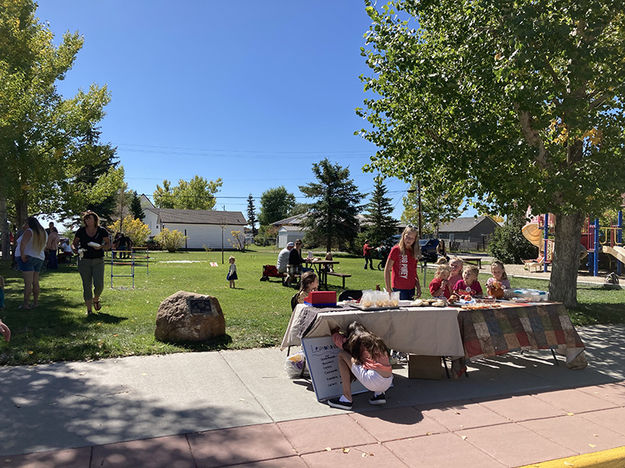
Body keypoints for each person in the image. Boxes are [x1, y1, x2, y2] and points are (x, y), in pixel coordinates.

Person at [328, 321, 393, 410]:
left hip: (373, 380)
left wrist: (334, 331)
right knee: (374, 363)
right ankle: (379, 394)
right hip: (388, 381)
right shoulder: (377, 340)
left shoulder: (356, 340)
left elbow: (337, 340)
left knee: (342, 355)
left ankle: (346, 399)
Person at [72, 211, 110, 316]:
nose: (88, 220)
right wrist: (76, 250)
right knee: (86, 285)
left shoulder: (102, 231)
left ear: (95, 220)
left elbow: (108, 244)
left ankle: (96, 299)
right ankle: (89, 310)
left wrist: (101, 247)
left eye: (90, 218)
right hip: (84, 260)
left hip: (98, 260)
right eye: (86, 219)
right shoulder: (81, 231)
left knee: (99, 285)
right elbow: (74, 244)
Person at [15, 217, 47, 309]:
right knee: (35, 281)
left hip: (28, 257)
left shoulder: (29, 231)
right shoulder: (43, 233)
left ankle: (26, 304)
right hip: (39, 258)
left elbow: (23, 244)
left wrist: (22, 255)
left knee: (28, 282)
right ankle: (35, 302)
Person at [384, 226, 421, 300]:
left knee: (410, 310)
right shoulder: (396, 250)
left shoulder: (414, 252)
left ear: (415, 240)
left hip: (411, 288)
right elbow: (387, 269)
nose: (409, 240)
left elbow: (414, 272)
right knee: (401, 310)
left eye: (412, 238)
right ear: (403, 235)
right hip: (398, 288)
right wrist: (388, 288)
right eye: (407, 236)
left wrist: (418, 287)